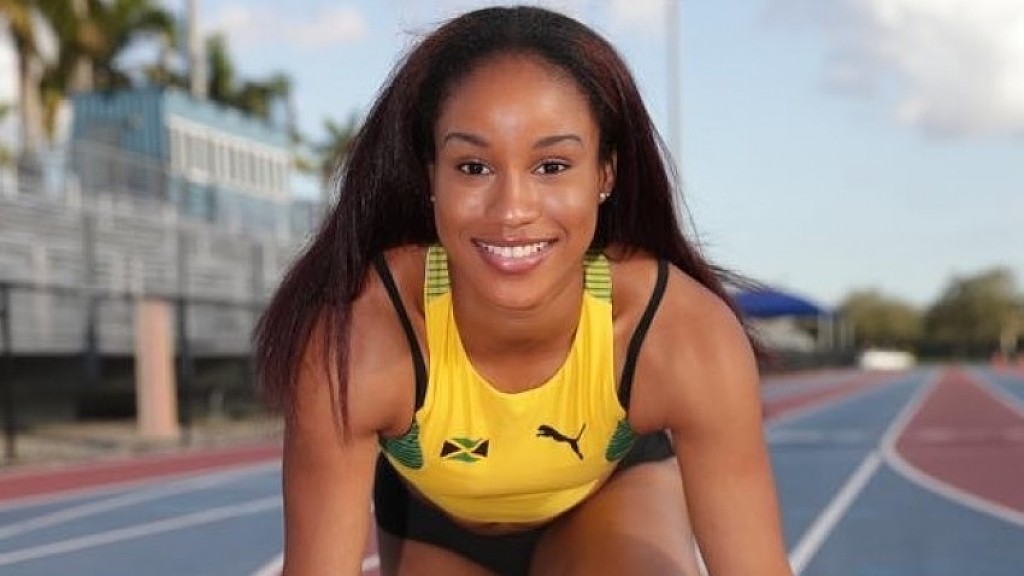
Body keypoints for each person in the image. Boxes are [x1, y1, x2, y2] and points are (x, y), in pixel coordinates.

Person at [255, 5, 792, 576]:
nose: (512, 210)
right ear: (431, 175)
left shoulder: (679, 335)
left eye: (552, 165)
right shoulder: (357, 338)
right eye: (473, 167)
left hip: (609, 498)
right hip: (432, 521)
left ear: (605, 174)